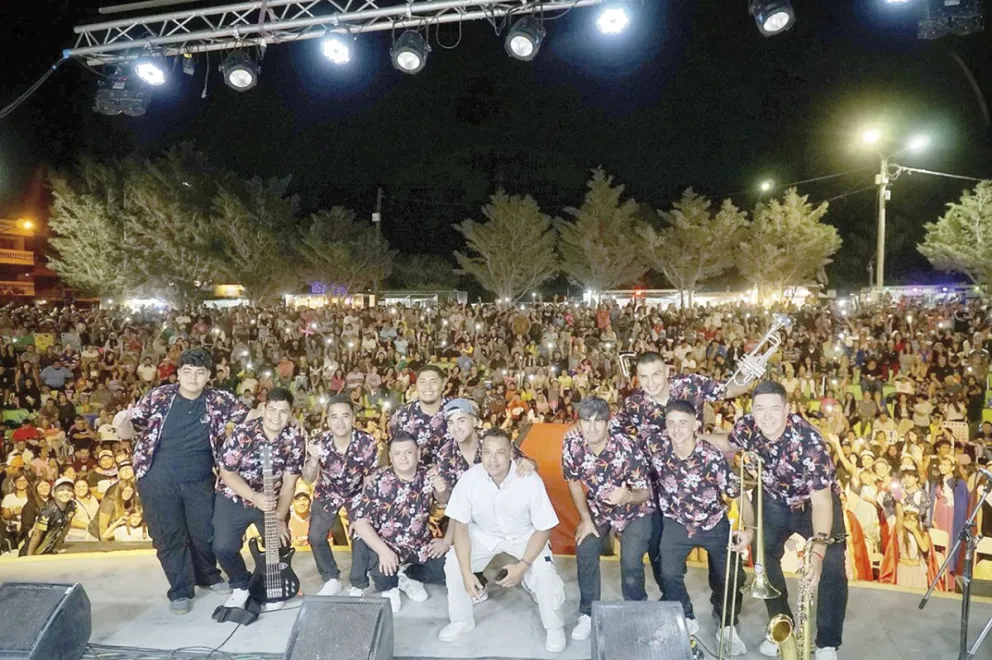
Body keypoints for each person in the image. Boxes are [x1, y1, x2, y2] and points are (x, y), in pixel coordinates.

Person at [713, 381, 848, 660]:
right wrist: (691, 436)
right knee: (763, 556)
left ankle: (826, 643)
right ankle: (783, 626)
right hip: (774, 499)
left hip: (814, 502)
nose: (767, 416)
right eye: (759, 408)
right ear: (751, 409)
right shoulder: (747, 426)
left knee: (832, 567)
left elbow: (822, 502)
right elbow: (727, 442)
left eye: (774, 408)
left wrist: (818, 552)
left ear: (787, 409)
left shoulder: (809, 441)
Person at [116, 348, 250, 615]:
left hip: (200, 478)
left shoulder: (220, 400)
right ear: (178, 374)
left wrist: (286, 419)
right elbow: (131, 429)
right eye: (187, 372)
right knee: (169, 536)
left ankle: (207, 575)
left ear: (209, 376)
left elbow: (251, 417)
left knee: (205, 532)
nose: (193, 378)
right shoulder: (158, 396)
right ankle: (180, 589)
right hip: (157, 477)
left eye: (200, 373)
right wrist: (121, 424)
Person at [438, 429, 567, 654]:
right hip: (483, 534)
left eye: (500, 453)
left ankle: (554, 626)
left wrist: (522, 567)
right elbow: (460, 528)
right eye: (487, 452)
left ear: (511, 455)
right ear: (481, 453)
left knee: (545, 572)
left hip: (524, 534)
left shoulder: (529, 479)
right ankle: (461, 620)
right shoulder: (470, 479)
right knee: (453, 563)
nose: (493, 459)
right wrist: (467, 573)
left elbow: (543, 527)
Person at [653, 400, 750, 655]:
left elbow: (739, 494)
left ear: (696, 425)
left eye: (683, 423)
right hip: (676, 521)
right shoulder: (658, 451)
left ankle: (727, 622)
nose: (676, 429)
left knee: (731, 575)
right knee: (668, 572)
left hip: (713, 522)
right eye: (671, 423)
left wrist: (749, 528)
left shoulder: (711, 456)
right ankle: (685, 615)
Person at [561, 396, 655, 643]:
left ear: (608, 422)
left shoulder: (626, 447)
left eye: (598, 421)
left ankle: (635, 610)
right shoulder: (572, 444)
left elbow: (645, 492)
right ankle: (587, 612)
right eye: (585, 421)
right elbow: (573, 482)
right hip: (598, 508)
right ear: (578, 422)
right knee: (585, 546)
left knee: (631, 560)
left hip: (635, 509)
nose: (591, 428)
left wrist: (627, 495)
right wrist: (585, 519)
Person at [213, 387, 305, 610]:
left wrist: (280, 518)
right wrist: (253, 496)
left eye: (283, 412)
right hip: (235, 495)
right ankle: (241, 584)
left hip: (272, 500)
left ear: (291, 413)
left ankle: (274, 581)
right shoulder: (243, 433)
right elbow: (227, 472)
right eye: (272, 410)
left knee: (281, 543)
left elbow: (289, 483)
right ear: (263, 409)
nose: (277, 416)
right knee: (223, 548)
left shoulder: (294, 439)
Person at [349, 432, 446, 613]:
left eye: (408, 452)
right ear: (391, 457)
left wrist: (441, 490)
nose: (403, 458)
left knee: (444, 568)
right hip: (386, 543)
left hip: (418, 544)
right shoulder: (379, 479)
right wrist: (384, 552)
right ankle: (390, 584)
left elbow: (444, 501)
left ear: (418, 453)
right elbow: (361, 522)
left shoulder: (428, 475)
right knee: (383, 575)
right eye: (398, 453)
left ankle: (406, 574)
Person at [301, 394, 379, 597]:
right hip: (327, 492)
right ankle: (330, 578)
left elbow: (370, 479)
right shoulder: (319, 441)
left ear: (353, 418)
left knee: (361, 534)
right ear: (327, 420)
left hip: (356, 493)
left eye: (345, 416)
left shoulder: (366, 441)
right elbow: (308, 478)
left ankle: (359, 582)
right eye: (334, 417)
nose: (340, 422)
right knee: (315, 536)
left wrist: (362, 511)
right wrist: (314, 459)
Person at [388, 366, 448, 465]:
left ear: (443, 384)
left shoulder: (456, 413)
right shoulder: (401, 415)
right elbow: (394, 452)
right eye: (422, 382)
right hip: (413, 476)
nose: (427, 387)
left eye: (433, 382)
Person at [23, 477, 76, 556]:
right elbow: (37, 534)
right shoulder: (48, 512)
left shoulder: (72, 506)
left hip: (49, 551)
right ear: (53, 493)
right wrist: (30, 556)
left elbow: (66, 526)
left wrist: (57, 546)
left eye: (69, 490)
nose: (65, 493)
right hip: (33, 551)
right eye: (61, 490)